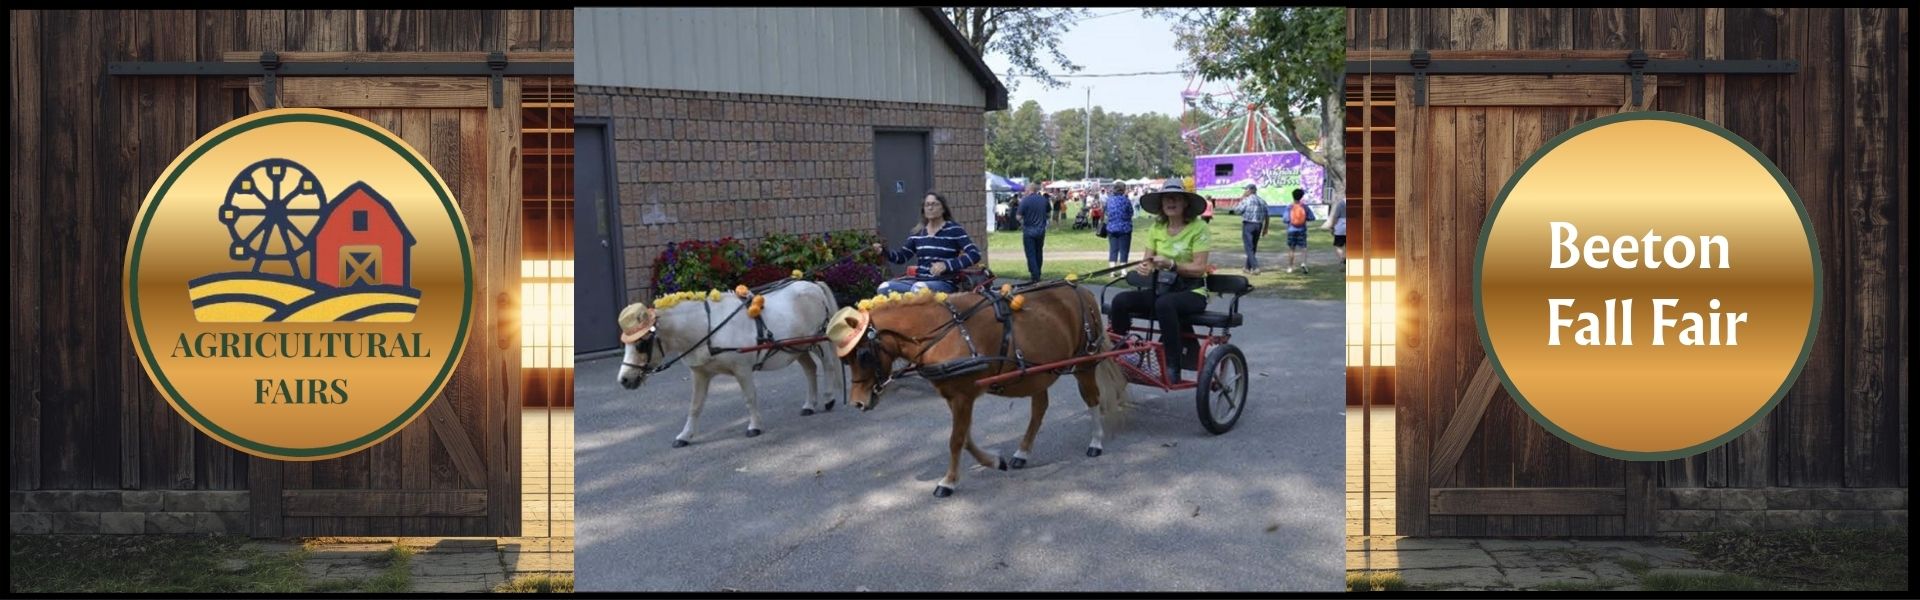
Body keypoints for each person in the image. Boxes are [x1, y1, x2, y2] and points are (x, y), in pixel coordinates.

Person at [1107, 180, 1212, 383]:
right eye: (1166, 198)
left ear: (1185, 203)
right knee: (1120, 300)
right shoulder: (1157, 227)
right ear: (1161, 204)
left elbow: (1200, 268)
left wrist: (1172, 264)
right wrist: (1144, 267)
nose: (1171, 201)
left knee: (1164, 304)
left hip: (1192, 292)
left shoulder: (1199, 228)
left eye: (1176, 197)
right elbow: (1148, 261)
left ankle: (1173, 365)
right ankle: (1122, 353)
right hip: (1162, 289)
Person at [872, 192, 982, 294]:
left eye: (934, 204)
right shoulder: (918, 233)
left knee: (919, 289)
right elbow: (902, 257)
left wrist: (947, 265)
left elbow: (974, 254)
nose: (930, 208)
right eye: (927, 205)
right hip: (919, 280)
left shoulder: (954, 230)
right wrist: (883, 251)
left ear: (943, 208)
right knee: (884, 287)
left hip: (944, 282)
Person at [1017, 186, 1052, 282]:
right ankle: (1038, 272)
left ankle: (1035, 275)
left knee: (1031, 254)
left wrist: (1023, 222)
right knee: (1039, 252)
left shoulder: (1025, 201)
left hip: (1029, 231)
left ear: (1029, 190)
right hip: (1041, 230)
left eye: (1025, 191)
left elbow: (1018, 216)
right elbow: (1048, 214)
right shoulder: (1044, 200)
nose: (1024, 192)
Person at [1237, 183, 1271, 274]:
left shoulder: (1247, 200)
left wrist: (1242, 199)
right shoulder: (1262, 201)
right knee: (1253, 246)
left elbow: (1237, 210)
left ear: (1250, 190)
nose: (1244, 191)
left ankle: (1255, 267)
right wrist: (1265, 228)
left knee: (1248, 247)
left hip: (1248, 224)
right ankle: (1247, 267)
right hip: (1259, 225)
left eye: (1245, 190)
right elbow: (1267, 216)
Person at [1283, 188, 1317, 273]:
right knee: (1303, 248)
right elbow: (1312, 218)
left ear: (1293, 196)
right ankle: (1303, 263)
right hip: (1302, 229)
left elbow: (1285, 219)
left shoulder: (1289, 207)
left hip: (1291, 230)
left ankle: (1290, 267)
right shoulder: (1304, 207)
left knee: (1291, 249)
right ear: (1301, 197)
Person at [1103, 182, 1135, 269]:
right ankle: (1123, 271)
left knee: (1113, 249)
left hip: (1111, 227)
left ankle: (1112, 270)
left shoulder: (1109, 200)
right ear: (1123, 190)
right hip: (1125, 228)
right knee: (1124, 250)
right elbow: (1131, 213)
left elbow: (1106, 212)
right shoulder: (1126, 200)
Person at [1322, 195, 1348, 272]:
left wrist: (1332, 227)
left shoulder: (1341, 203)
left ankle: (1342, 259)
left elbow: (1336, 217)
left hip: (1341, 227)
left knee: (1338, 246)